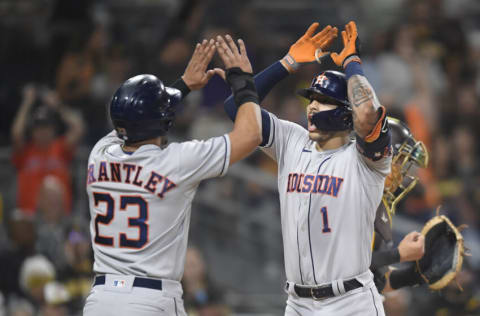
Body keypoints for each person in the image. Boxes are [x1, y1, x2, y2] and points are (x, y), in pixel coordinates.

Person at [83, 37, 262, 316]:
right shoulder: (177, 162)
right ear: (164, 121)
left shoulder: (99, 153)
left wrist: (183, 86)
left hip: (100, 298)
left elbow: (136, 118)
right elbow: (250, 135)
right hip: (150, 299)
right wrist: (243, 82)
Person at [224, 21, 391, 315]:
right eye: (311, 99)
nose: (312, 106)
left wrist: (352, 63)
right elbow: (235, 109)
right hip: (297, 303)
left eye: (323, 100)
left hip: (350, 302)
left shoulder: (366, 160)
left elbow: (367, 113)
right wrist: (286, 64)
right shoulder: (291, 140)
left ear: (345, 113)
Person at [370, 117, 429, 292]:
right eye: (398, 159)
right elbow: (341, 266)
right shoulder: (348, 194)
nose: (401, 170)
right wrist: (399, 254)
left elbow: (374, 281)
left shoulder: (380, 207)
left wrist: (416, 274)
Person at [11, 85, 85, 214]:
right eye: (38, 128)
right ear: (32, 131)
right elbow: (16, 134)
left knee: (76, 233)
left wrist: (57, 106)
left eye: (46, 127)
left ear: (53, 130)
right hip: (30, 220)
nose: (43, 132)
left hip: (61, 220)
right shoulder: (26, 151)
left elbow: (78, 128)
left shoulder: (61, 148)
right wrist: (27, 103)